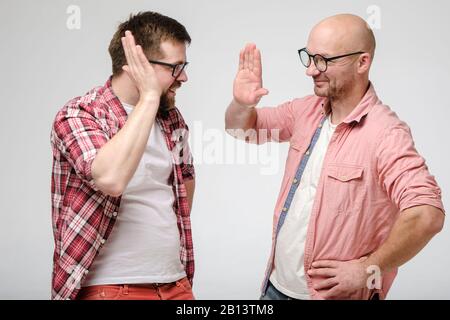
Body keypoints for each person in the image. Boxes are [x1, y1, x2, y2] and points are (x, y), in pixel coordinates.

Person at [225, 14, 445, 300]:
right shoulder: (306, 110)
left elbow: (427, 214)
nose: (311, 71)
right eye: (309, 57)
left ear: (362, 62)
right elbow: (240, 130)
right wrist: (242, 104)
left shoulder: (387, 133)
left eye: (324, 60)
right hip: (275, 288)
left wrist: (368, 268)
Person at [50, 11, 195, 300]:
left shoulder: (171, 119)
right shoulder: (79, 114)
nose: (184, 77)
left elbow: (185, 185)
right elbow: (111, 178)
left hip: (175, 283)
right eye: (175, 68)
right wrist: (149, 97)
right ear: (136, 65)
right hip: (112, 287)